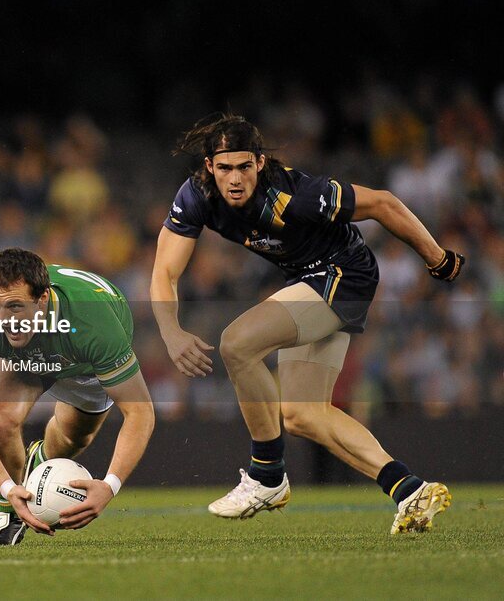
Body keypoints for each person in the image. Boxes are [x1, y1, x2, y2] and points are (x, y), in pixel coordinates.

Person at [150, 113, 463, 534]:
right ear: (209, 167)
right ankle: (409, 489)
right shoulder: (197, 195)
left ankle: (266, 477)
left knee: (237, 344)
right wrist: (170, 331)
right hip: (308, 280)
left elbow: (384, 204)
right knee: (302, 415)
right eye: (225, 168)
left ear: (260, 163)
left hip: (343, 276)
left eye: (244, 166)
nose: (235, 178)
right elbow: (164, 271)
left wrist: (437, 258)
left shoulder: (295, 195)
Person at [0, 248, 155, 546]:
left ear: (42, 299)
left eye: (16, 307)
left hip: (85, 365)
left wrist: (109, 486)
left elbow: (141, 412)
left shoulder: (94, 323)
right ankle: (8, 514)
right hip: (29, 357)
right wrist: (7, 488)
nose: (4, 320)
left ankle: (40, 460)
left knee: (72, 440)